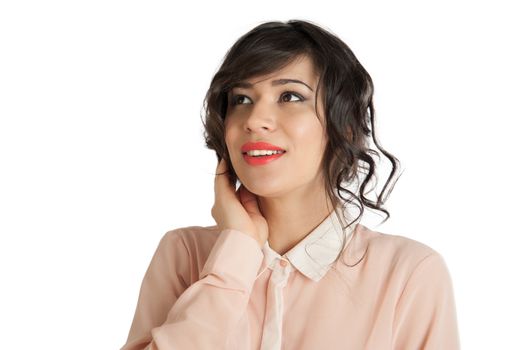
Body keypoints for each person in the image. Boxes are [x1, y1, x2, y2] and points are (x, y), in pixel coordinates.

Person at [120, 19, 460, 350]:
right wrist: (235, 257)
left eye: (290, 96)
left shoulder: (408, 274)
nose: (254, 121)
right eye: (241, 99)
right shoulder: (185, 253)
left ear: (345, 126)